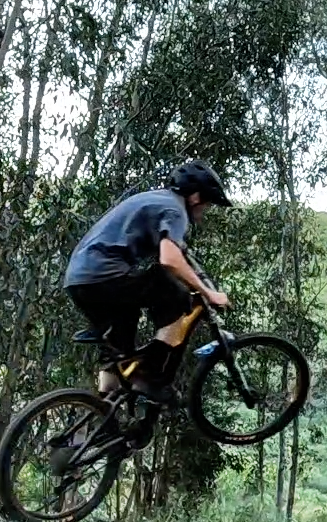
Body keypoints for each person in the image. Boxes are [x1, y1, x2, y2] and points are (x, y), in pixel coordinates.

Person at [61, 160, 233, 401]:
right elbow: (170, 259)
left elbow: (180, 254)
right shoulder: (176, 211)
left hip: (79, 281)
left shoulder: (155, 199)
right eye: (207, 203)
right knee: (176, 295)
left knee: (119, 349)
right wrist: (208, 292)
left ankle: (103, 413)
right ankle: (149, 377)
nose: (205, 211)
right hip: (103, 276)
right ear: (195, 197)